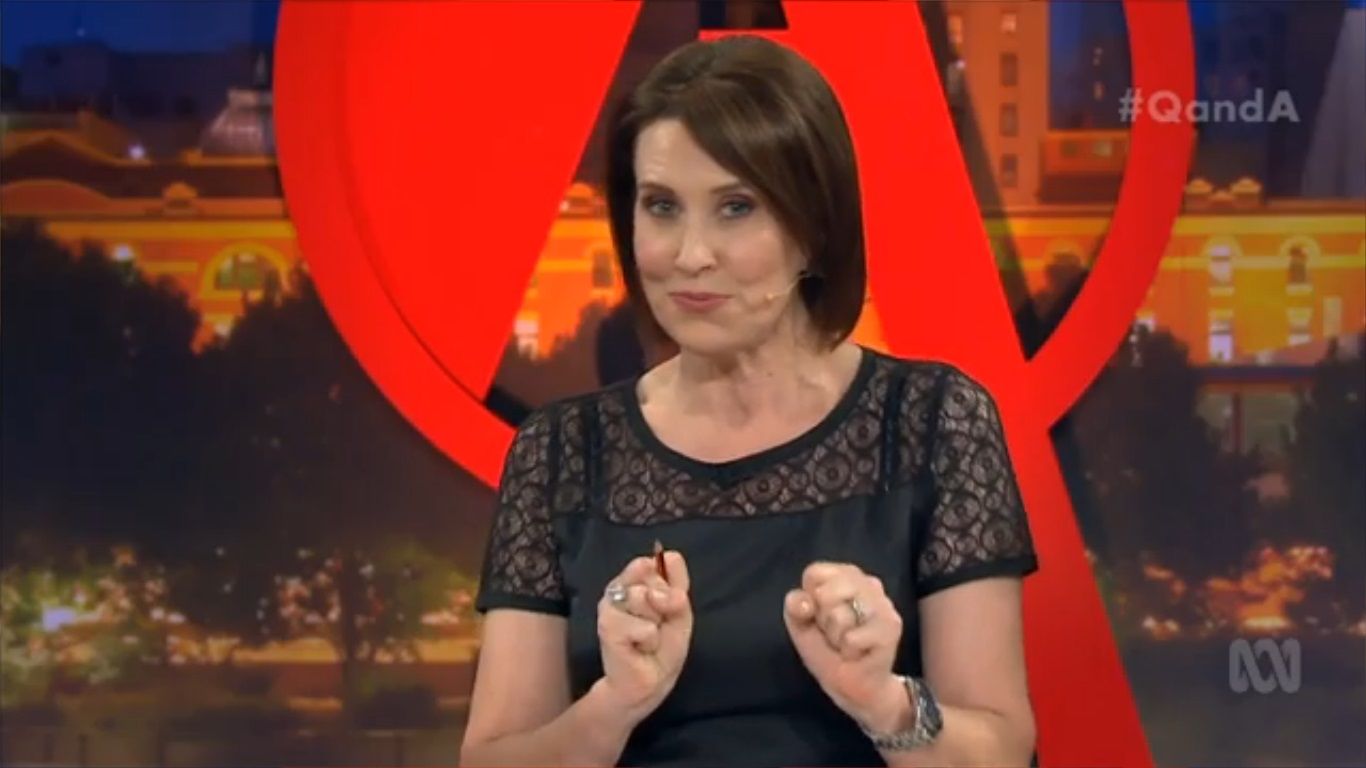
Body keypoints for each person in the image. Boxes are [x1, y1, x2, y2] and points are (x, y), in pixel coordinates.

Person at [461, 35, 1040, 768]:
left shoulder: (932, 422)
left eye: (736, 207)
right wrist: (614, 704)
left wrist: (883, 702)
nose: (690, 254)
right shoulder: (561, 451)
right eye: (661, 206)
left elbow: (1002, 750)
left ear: (814, 227)